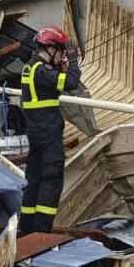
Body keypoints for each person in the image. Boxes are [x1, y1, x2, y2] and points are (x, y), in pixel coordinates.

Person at [19, 27, 80, 235]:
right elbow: (71, 83)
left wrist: (60, 68)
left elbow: (48, 88)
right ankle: (42, 234)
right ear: (51, 48)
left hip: (35, 133)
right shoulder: (41, 71)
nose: (62, 56)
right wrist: (73, 61)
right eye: (61, 51)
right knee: (51, 181)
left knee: (34, 181)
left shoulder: (30, 67)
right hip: (48, 134)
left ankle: (26, 231)